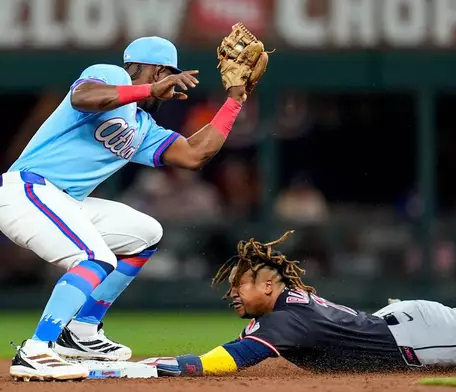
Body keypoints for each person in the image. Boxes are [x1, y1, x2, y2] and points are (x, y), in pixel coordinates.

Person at [140, 191, 456, 377]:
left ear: (270, 287)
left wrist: (175, 367)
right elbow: (242, 344)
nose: (234, 291)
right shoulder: (282, 309)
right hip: (406, 328)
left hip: (416, 337)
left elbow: (231, 359)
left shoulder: (286, 318)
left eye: (243, 283)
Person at [4, 33, 264, 381]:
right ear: (154, 70)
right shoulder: (110, 75)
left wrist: (234, 100)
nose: (170, 86)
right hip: (27, 190)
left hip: (63, 201)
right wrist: (146, 90)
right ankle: (37, 348)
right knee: (95, 259)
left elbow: (193, 154)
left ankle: (80, 332)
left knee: (145, 234)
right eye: (167, 74)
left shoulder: (142, 127)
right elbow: (83, 98)